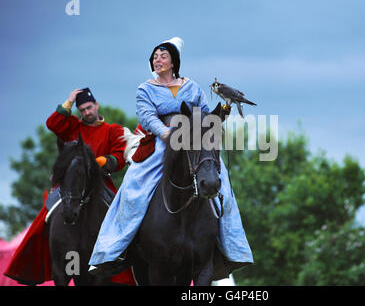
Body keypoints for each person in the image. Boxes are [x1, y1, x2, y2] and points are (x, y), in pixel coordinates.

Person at [88, 37, 254, 280]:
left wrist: (216, 120)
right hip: (161, 140)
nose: (158, 59)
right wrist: (166, 134)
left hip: (194, 137)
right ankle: (118, 249)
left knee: (220, 180)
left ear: (174, 61)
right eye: (155, 56)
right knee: (133, 184)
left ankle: (229, 247)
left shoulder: (193, 87)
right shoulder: (145, 88)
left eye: (163, 56)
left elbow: (205, 115)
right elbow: (146, 117)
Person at [4, 89, 135, 285]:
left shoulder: (112, 130)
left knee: (120, 216)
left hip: (99, 183)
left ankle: (123, 261)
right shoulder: (72, 126)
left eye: (89, 108)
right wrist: (69, 100)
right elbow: (52, 123)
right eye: (82, 109)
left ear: (96, 105)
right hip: (70, 183)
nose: (86, 113)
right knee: (47, 215)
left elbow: (119, 157)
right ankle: (39, 258)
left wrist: (102, 161)